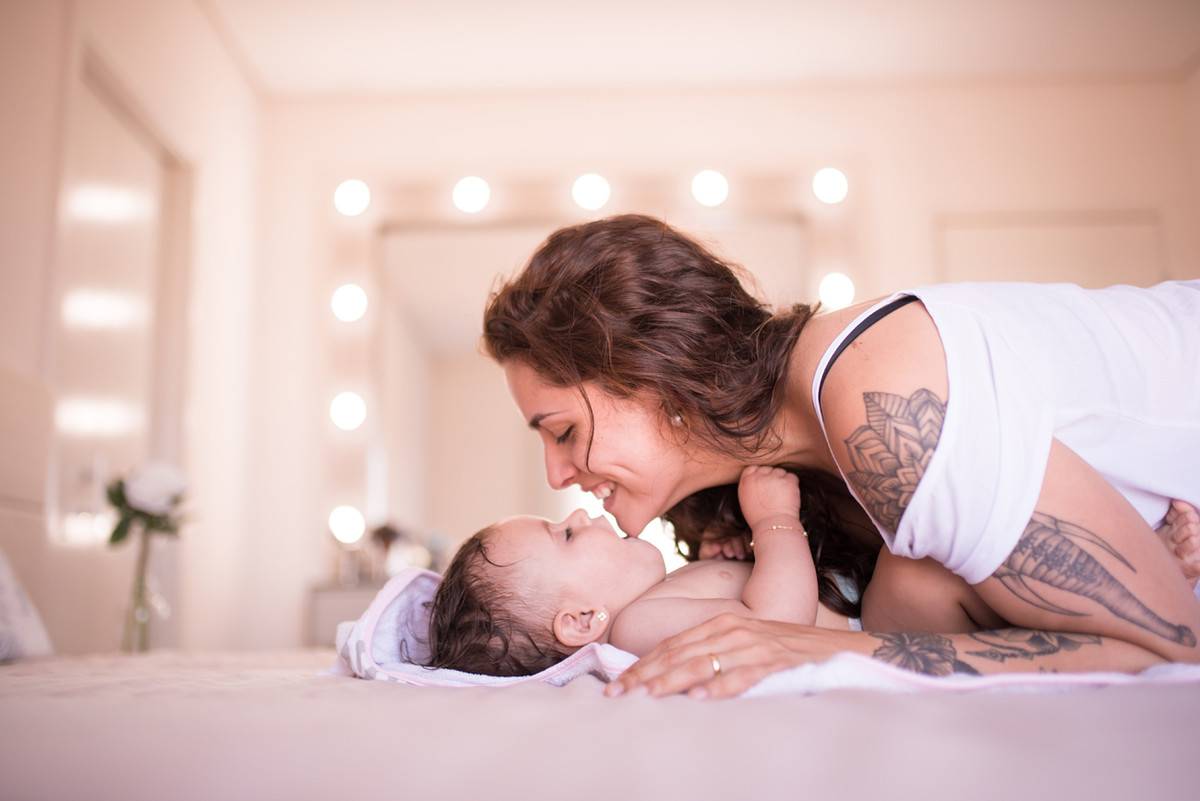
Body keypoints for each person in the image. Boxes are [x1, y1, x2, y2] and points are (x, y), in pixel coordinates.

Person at [481, 212, 1200, 697]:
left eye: (563, 430)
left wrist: (821, 650)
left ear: (650, 377)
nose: (557, 474)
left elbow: (1173, 653)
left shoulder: (881, 404)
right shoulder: (771, 491)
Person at [425, 466, 989, 676]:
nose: (578, 514)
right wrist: (773, 521)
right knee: (918, 569)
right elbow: (776, 621)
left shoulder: (654, 603)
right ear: (581, 620)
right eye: (566, 535)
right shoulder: (635, 629)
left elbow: (737, 600)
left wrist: (728, 558)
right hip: (873, 624)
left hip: (855, 596)